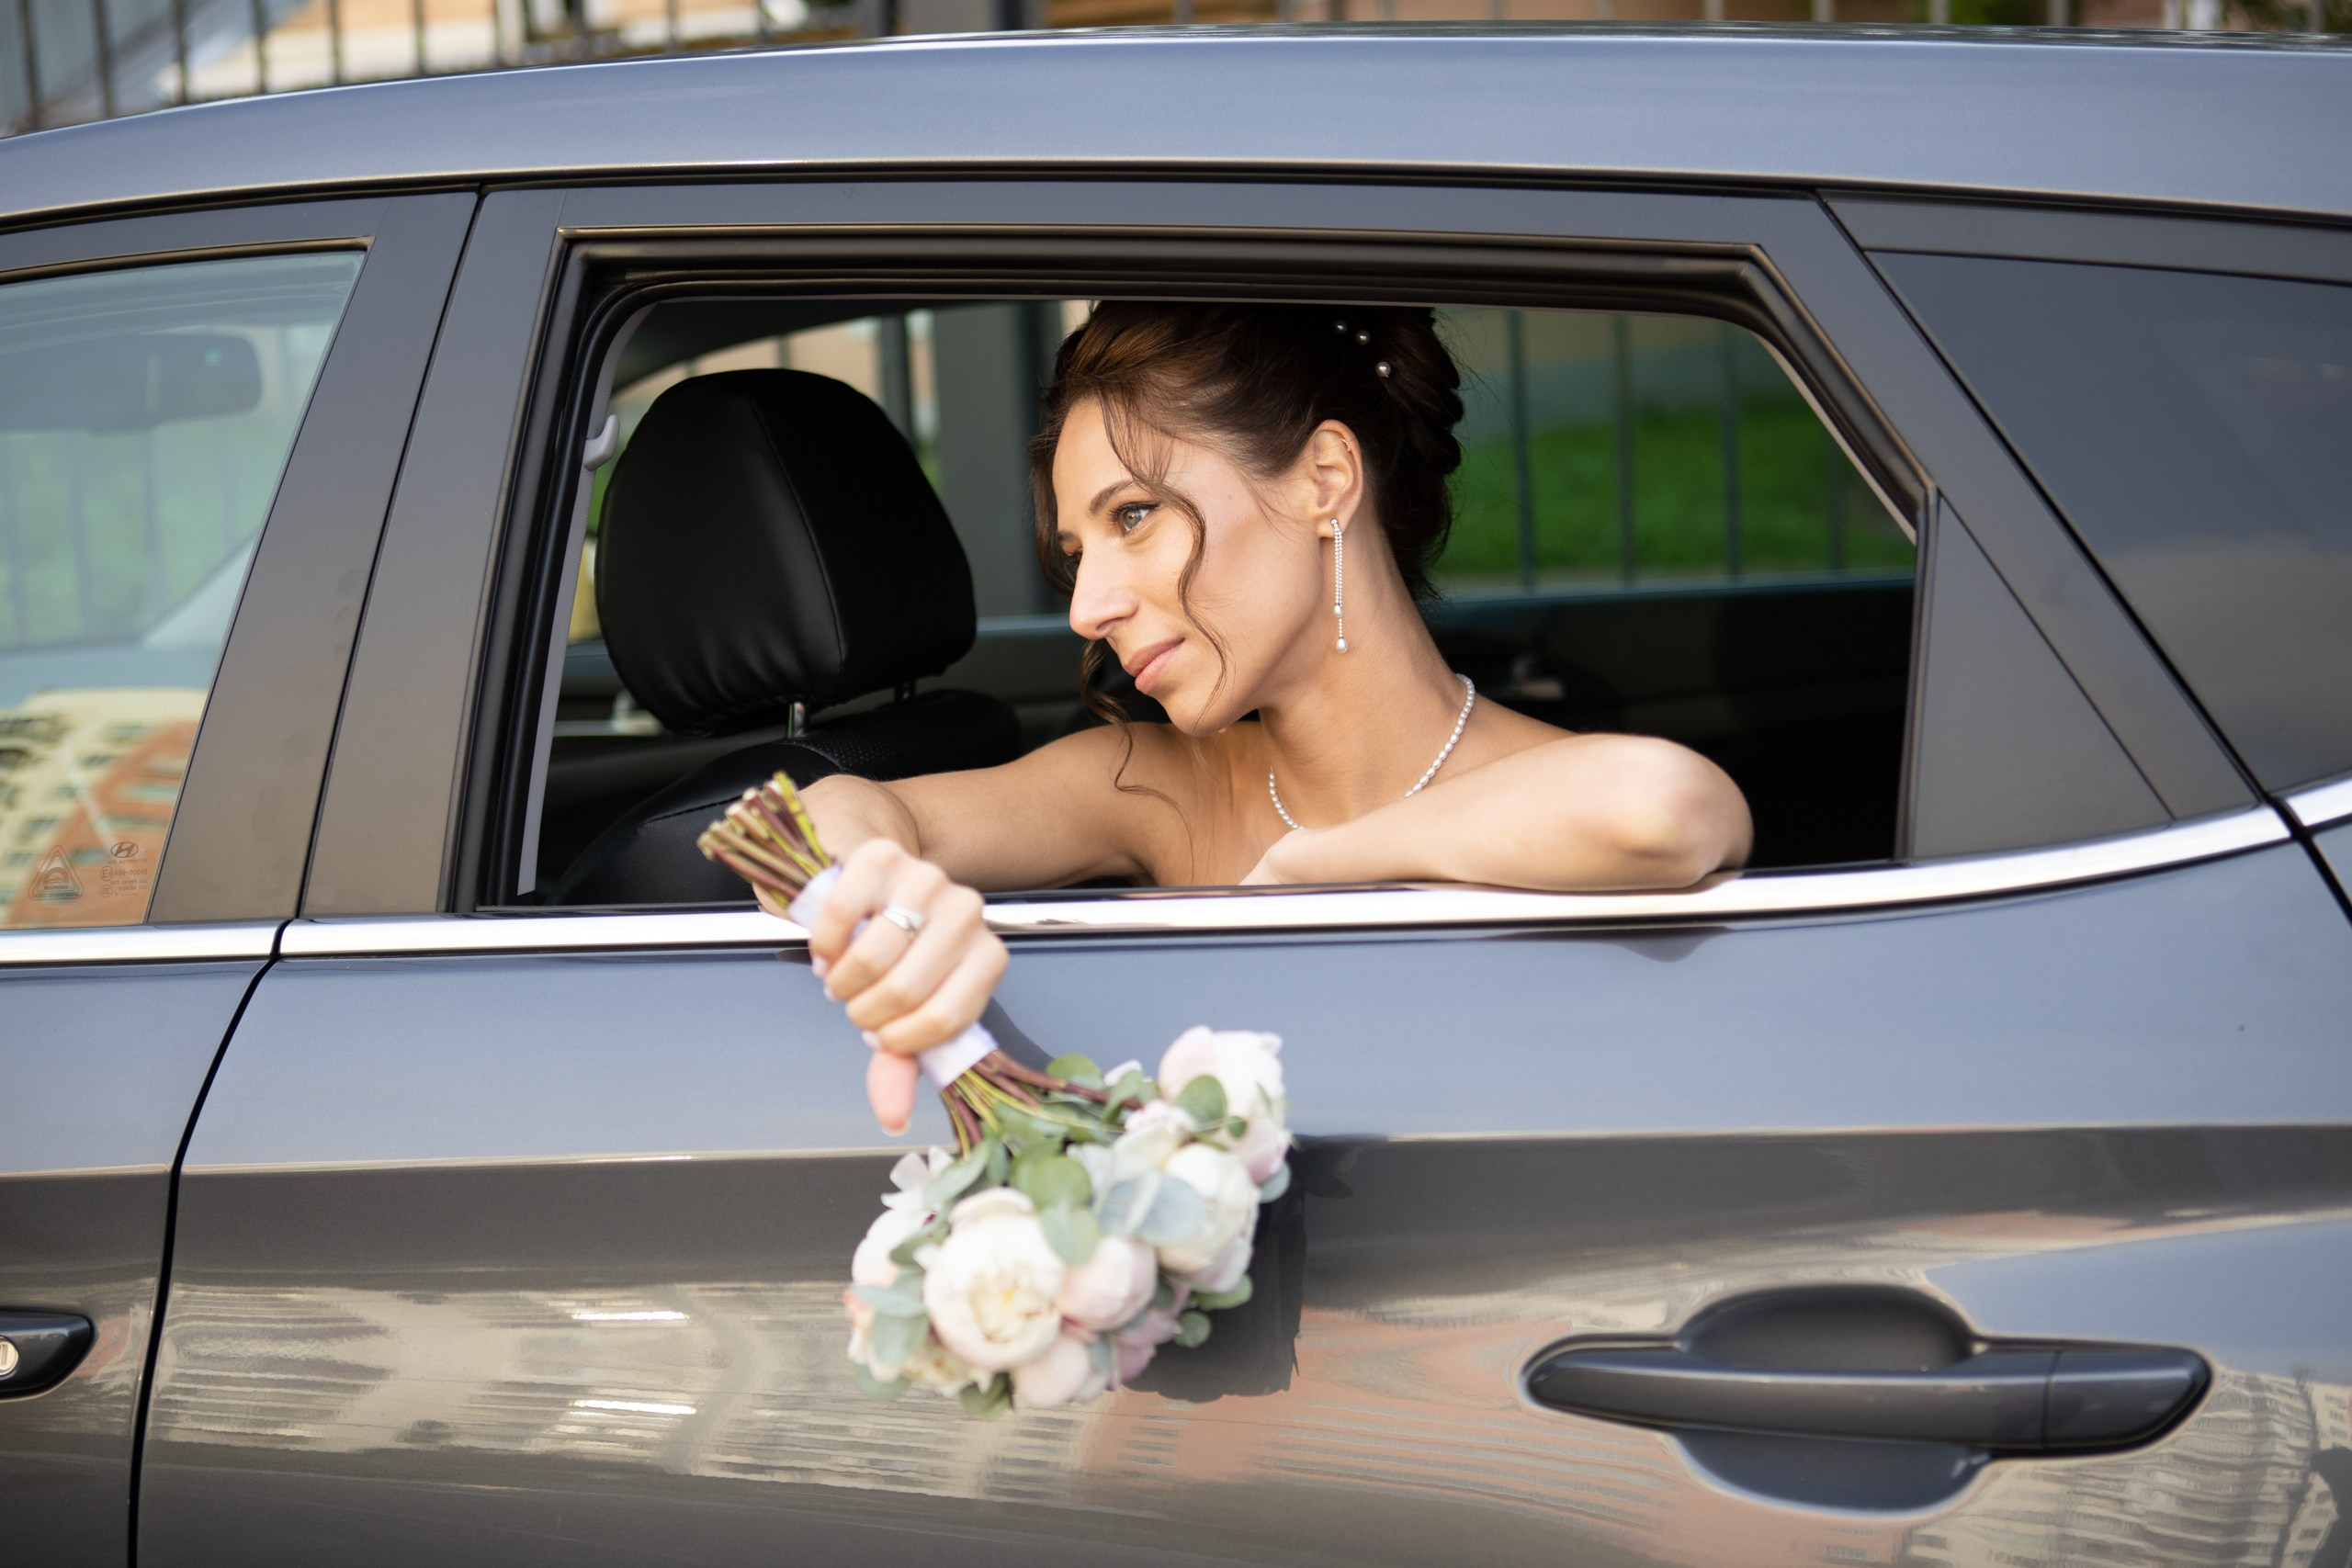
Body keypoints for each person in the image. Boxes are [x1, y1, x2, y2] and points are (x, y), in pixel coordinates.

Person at [797, 303, 1752, 1131]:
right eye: (1078, 553)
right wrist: (876, 895)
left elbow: (1664, 806)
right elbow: (834, 813)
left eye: (1132, 516)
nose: (1086, 609)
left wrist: (1309, 867)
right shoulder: (1152, 786)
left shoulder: (1562, 788)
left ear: (1324, 478)